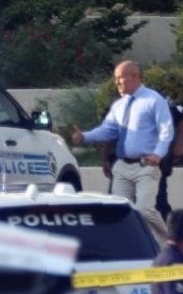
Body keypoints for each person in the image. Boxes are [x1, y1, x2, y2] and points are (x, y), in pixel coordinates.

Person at [71, 61, 174, 214]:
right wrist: (84, 137)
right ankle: (127, 239)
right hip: (122, 166)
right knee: (118, 211)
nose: (116, 82)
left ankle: (162, 237)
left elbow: (167, 129)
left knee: (145, 211)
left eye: (120, 78)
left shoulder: (153, 100)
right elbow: (107, 130)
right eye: (115, 78)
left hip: (145, 165)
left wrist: (158, 154)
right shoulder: (119, 105)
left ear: (134, 77)